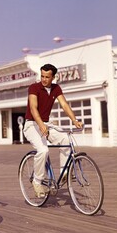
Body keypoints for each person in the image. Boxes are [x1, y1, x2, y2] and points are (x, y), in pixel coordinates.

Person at [23, 63, 84, 197]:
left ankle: (64, 172)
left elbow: (64, 105)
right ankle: (37, 181)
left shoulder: (56, 88)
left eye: (47, 77)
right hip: (31, 124)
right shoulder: (34, 87)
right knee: (43, 150)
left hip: (46, 124)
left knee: (66, 138)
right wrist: (41, 124)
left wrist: (74, 120)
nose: (44, 79)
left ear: (53, 77)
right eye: (42, 76)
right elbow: (33, 108)